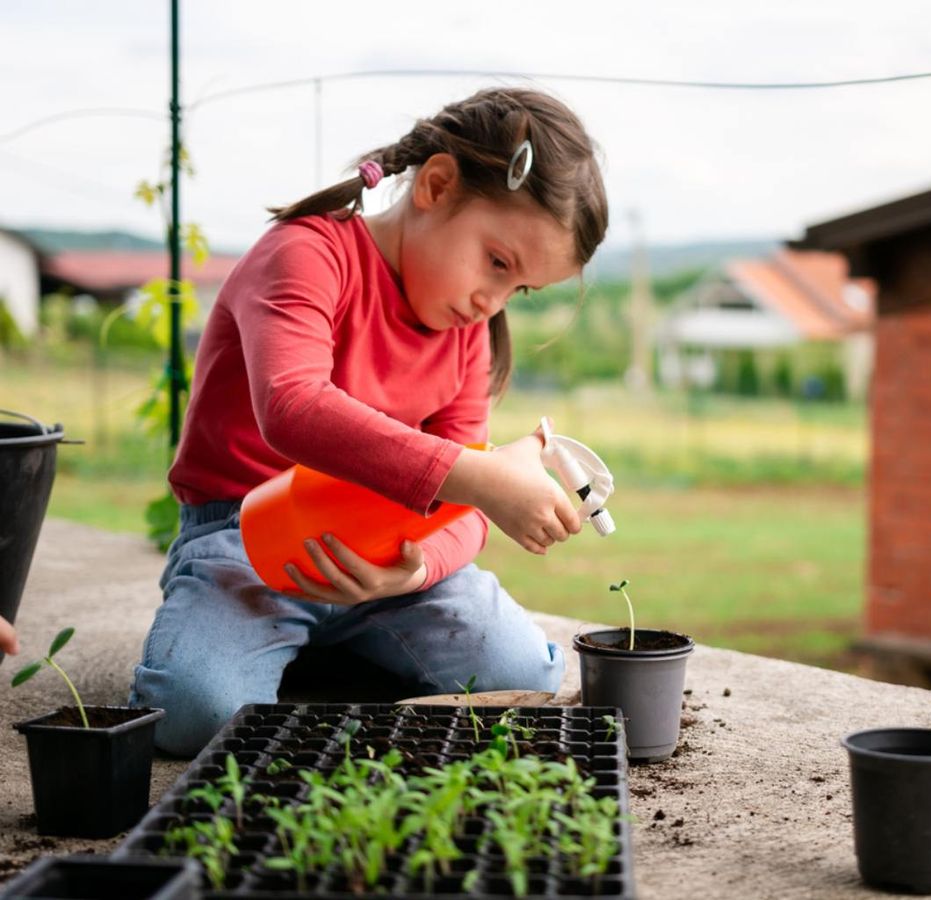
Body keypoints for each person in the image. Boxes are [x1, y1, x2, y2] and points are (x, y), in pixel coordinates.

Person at [129, 87, 608, 756]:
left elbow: (459, 510)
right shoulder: (306, 254)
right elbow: (293, 408)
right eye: (497, 262)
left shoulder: (466, 331)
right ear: (436, 186)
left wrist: (416, 573)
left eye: (517, 289)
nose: (490, 302)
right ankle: (296, 647)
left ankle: (327, 647)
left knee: (523, 678)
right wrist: (484, 475)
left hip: (388, 562)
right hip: (246, 544)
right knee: (194, 716)